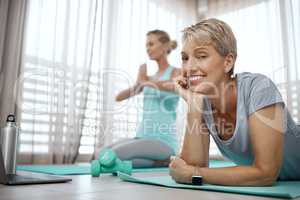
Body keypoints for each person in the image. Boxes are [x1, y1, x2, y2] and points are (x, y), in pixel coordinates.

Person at [169, 18, 300, 186]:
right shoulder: (203, 100)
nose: (189, 67)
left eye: (201, 56)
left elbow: (265, 173)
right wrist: (193, 104)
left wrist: (194, 173)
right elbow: (191, 169)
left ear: (228, 62)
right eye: (185, 58)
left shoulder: (258, 88)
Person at [106, 30, 180, 168]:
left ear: (164, 47)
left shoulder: (177, 72)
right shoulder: (147, 79)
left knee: (113, 154)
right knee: (102, 153)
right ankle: (161, 163)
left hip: (164, 141)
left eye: (151, 44)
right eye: (146, 45)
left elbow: (173, 86)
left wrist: (144, 81)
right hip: (142, 136)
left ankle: (165, 158)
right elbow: (119, 97)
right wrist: (139, 82)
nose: (147, 48)